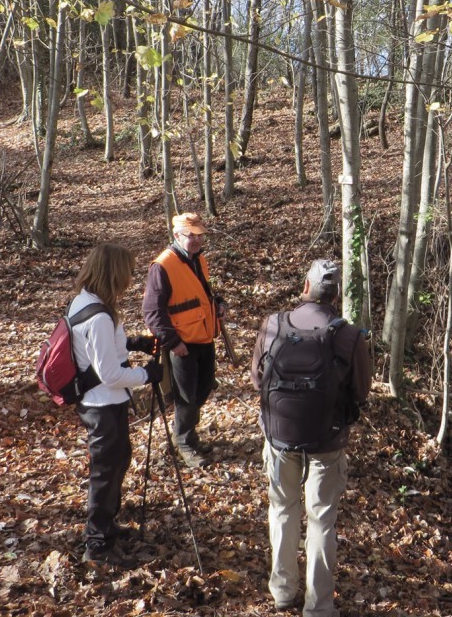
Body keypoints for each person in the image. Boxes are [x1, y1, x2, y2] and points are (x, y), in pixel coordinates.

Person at [250, 259, 372, 616]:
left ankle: (283, 591)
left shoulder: (273, 325)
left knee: (283, 510)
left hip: (278, 437)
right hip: (327, 442)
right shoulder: (348, 336)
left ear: (305, 288)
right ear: (335, 296)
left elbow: (258, 380)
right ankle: (318, 608)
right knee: (321, 520)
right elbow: (361, 391)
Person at [70, 243, 163, 568]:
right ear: (113, 274)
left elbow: (101, 351)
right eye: (126, 273)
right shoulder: (97, 316)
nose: (129, 280)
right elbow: (108, 373)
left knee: (118, 461)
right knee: (106, 473)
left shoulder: (88, 302)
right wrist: (146, 374)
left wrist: (133, 343)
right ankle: (96, 544)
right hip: (102, 405)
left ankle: (107, 527)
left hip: (104, 402)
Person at [143, 212, 226, 468]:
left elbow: (204, 292)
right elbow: (152, 313)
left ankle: (188, 435)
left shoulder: (198, 260)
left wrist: (218, 304)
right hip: (182, 345)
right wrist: (173, 343)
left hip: (204, 337)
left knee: (202, 390)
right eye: (193, 236)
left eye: (200, 235)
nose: (198, 240)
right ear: (177, 235)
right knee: (186, 397)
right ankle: (185, 443)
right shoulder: (163, 266)